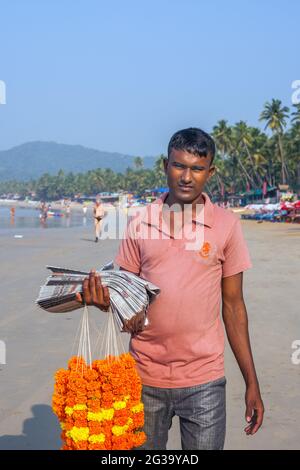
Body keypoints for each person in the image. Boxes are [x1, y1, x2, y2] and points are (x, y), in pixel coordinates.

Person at [76, 128, 264, 450]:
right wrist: (102, 301)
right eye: (179, 166)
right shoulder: (140, 222)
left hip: (204, 379)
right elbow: (126, 296)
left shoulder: (226, 225)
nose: (187, 177)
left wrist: (252, 382)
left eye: (197, 168)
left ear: (211, 172)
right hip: (143, 376)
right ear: (166, 165)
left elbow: (233, 307)